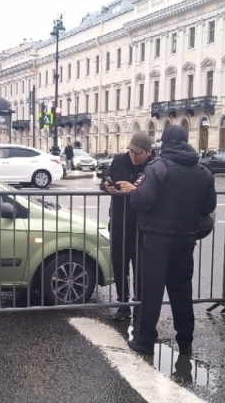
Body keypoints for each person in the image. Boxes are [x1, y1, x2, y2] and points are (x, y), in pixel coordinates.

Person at [124, 125, 216, 356]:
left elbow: (142, 200)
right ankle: (185, 341)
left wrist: (133, 192)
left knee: (151, 291)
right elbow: (209, 207)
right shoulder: (203, 171)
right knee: (182, 290)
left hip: (156, 238)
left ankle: (146, 341)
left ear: (165, 142)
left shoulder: (158, 169)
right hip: (186, 239)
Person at [101, 132, 154, 321]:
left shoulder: (154, 166)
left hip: (141, 226)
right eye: (131, 151)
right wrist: (106, 186)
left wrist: (134, 190)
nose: (133, 156)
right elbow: (105, 180)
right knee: (119, 266)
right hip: (119, 223)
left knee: (141, 269)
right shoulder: (119, 161)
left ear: (148, 152)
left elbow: (155, 192)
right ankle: (123, 305)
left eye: (138, 153)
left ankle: (139, 305)